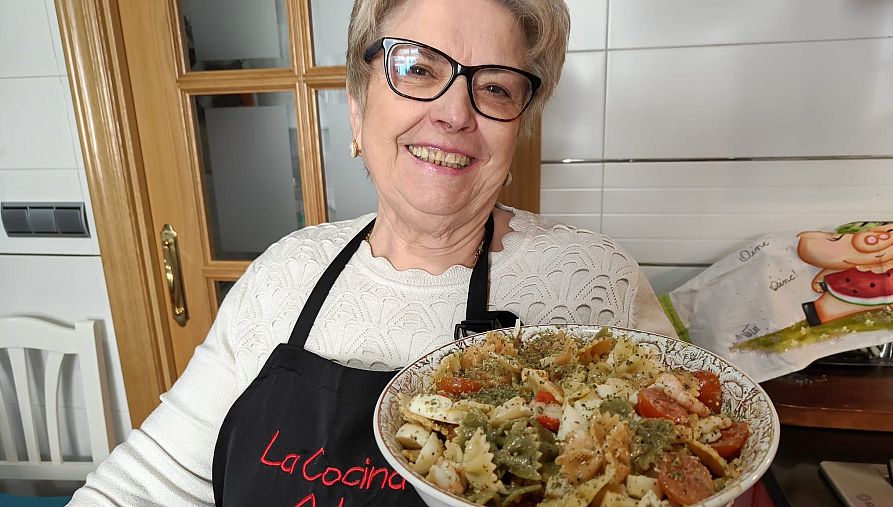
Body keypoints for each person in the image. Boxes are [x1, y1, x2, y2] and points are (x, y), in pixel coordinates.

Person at [69, 0, 675, 505]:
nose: (454, 113)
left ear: (519, 127)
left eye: (493, 86)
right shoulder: (283, 276)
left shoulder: (596, 285)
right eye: (416, 68)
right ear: (358, 110)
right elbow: (144, 485)